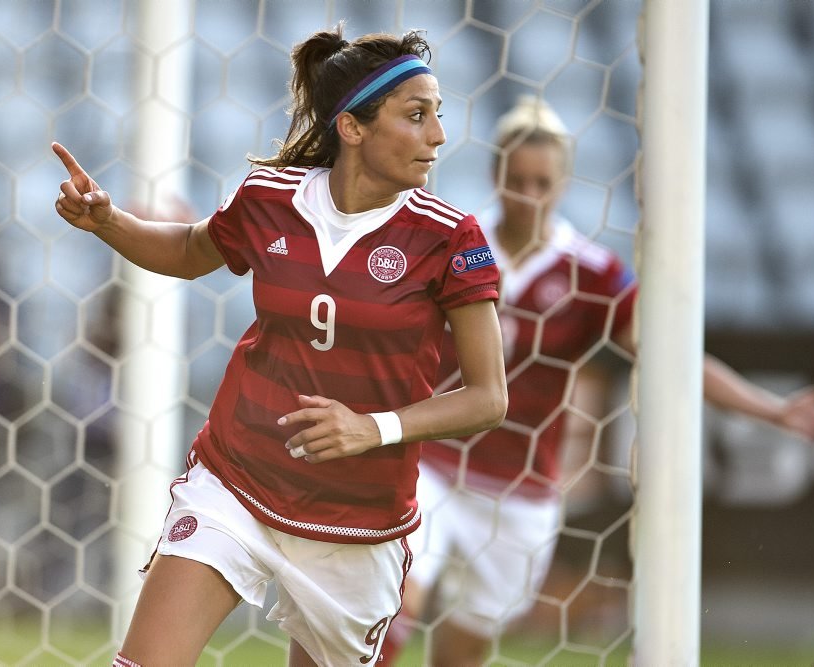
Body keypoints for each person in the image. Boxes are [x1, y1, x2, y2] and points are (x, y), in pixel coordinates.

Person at [52, 24, 508, 667]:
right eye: (417, 115)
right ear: (352, 128)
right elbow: (189, 251)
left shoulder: (450, 237)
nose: (438, 135)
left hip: (357, 521)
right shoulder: (271, 198)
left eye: (438, 115)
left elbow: (488, 398)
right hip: (238, 477)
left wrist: (370, 428)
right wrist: (107, 221)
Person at [378, 96, 814, 666]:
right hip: (432, 464)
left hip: (522, 490)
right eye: (517, 179)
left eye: (542, 182)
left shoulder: (591, 274)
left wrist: (773, 410)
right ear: (495, 175)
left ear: (563, 183)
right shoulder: (455, 244)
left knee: (465, 648)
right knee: (396, 598)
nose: (528, 195)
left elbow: (671, 358)